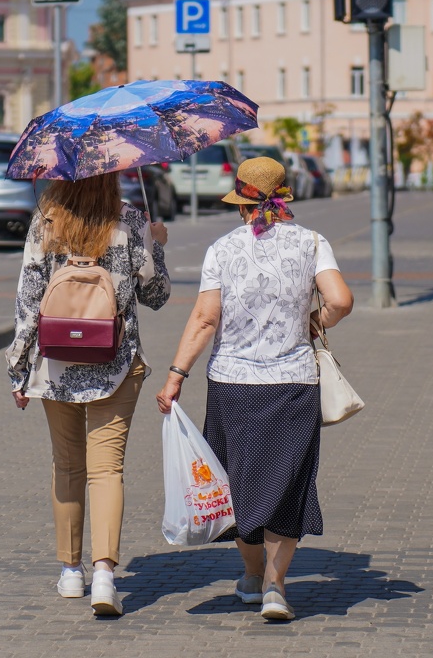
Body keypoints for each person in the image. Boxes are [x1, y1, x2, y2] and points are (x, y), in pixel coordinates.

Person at [155, 157, 353, 621]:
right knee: (287, 487)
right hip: (293, 385)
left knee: (237, 485)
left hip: (233, 385)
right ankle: (274, 587)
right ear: (284, 197)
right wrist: (313, 324)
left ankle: (250, 574)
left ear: (242, 203)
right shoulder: (312, 243)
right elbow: (341, 300)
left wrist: (175, 375)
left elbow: (205, 319)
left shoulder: (222, 249)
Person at [7, 172, 170, 617]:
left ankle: (71, 570)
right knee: (107, 469)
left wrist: (19, 369)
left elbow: (27, 299)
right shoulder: (130, 220)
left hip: (56, 364)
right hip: (115, 363)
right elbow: (156, 295)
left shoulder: (47, 220)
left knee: (67, 465)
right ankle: (104, 574)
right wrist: (157, 243)